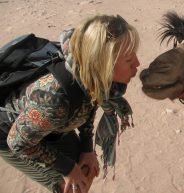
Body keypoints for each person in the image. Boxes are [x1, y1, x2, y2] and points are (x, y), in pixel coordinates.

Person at [0, 14, 140, 193]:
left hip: (52, 127)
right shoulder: (54, 98)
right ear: (102, 64)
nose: (137, 63)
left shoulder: (95, 78)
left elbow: (88, 107)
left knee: (86, 172)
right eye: (129, 60)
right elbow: (18, 142)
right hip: (14, 135)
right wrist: (67, 168)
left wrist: (87, 148)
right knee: (72, 187)